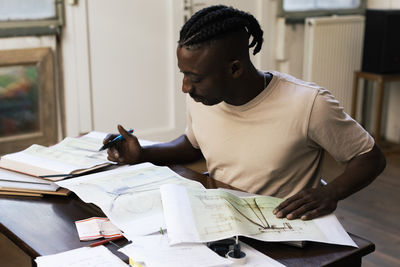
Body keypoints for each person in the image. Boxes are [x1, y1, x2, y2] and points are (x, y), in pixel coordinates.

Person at [104, 5, 386, 221]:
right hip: (221, 217)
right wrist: (143, 154)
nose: (185, 87)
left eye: (195, 77)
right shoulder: (203, 98)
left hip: (281, 226)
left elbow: (370, 158)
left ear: (235, 68)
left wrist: (330, 192)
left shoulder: (309, 104)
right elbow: (193, 145)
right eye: (184, 74)